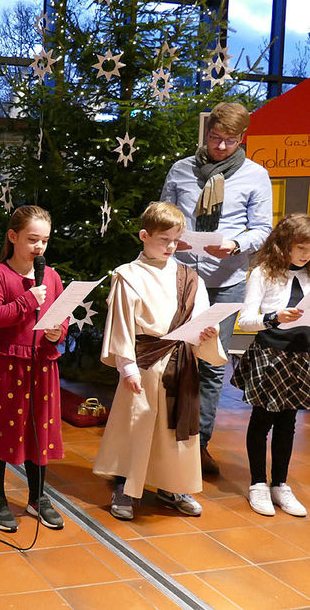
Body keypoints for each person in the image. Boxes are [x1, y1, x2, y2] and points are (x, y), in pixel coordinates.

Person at [93, 202, 225, 520]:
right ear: (144, 235)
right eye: (163, 239)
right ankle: (126, 487)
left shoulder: (189, 276)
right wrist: (126, 367)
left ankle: (172, 485)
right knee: (136, 427)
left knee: (174, 431)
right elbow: (122, 324)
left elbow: (202, 317)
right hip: (145, 364)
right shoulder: (129, 276)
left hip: (181, 363)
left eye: (175, 240)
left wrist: (207, 331)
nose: (170, 246)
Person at [161, 101, 272, 476]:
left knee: (210, 363)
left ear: (242, 138)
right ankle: (161, 441)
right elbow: (163, 216)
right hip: (180, 278)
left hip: (226, 283)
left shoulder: (256, 176)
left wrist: (236, 245)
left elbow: (262, 229)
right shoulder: (181, 170)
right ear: (206, 133)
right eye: (214, 138)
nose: (220, 147)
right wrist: (171, 239)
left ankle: (198, 445)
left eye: (229, 140)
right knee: (170, 358)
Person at [0, 205, 68, 532]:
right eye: (32, 239)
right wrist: (28, 300)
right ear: (13, 237)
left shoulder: (51, 276)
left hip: (42, 364)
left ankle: (37, 496)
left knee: (38, 429)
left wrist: (59, 331)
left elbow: (61, 315)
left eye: (44, 241)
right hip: (8, 366)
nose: (39, 247)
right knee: (2, 430)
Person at [231, 213, 310, 518]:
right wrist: (275, 317)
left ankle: (280, 483)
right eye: (300, 248)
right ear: (283, 245)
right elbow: (246, 320)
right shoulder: (264, 272)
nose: (306, 255)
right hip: (271, 353)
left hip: (302, 355)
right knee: (263, 419)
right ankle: (257, 483)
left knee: (289, 422)